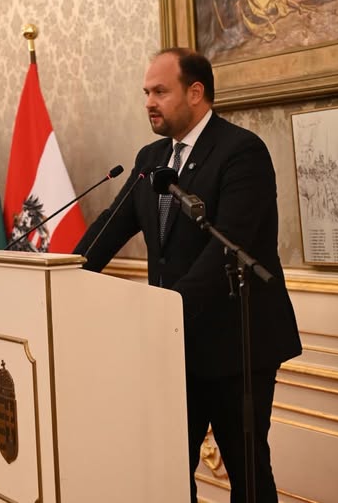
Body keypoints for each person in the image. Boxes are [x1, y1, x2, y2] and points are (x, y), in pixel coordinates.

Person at [74, 47, 302, 503]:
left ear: (195, 93)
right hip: (174, 346)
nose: (149, 102)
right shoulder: (151, 157)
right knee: (168, 470)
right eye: (146, 92)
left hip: (237, 344)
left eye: (160, 91)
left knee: (248, 474)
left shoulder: (241, 152)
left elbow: (226, 248)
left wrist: (166, 310)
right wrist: (60, 271)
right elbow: (110, 227)